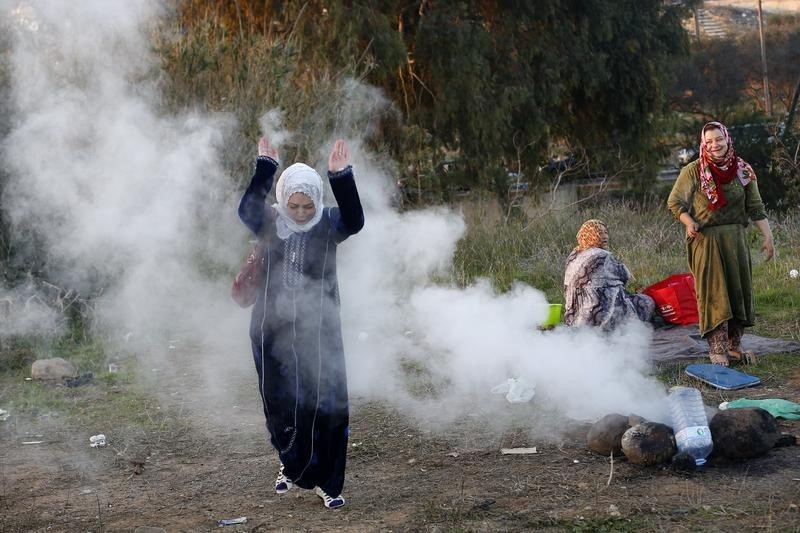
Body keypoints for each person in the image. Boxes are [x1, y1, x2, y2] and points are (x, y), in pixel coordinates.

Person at [237, 136, 364, 508]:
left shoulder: (329, 223)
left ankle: (329, 482)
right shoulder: (270, 221)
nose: (301, 211)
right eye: (294, 204)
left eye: (308, 204)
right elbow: (246, 209)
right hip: (270, 330)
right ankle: (290, 466)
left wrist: (342, 177)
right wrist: (265, 167)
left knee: (326, 405)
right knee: (280, 404)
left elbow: (355, 220)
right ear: (283, 199)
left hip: (319, 332)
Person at [667, 121, 774, 366]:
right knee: (715, 294)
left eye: (719, 139)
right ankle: (717, 349)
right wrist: (688, 221)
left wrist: (768, 237)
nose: (715, 145)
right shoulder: (693, 171)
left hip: (735, 240)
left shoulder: (742, 170)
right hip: (706, 240)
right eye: (709, 141)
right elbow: (674, 203)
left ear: (727, 139)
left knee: (738, 292)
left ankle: (734, 346)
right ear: (704, 144)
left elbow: (755, 208)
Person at [563, 219, 655, 330]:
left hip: (574, 319)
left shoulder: (573, 255)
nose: (605, 236)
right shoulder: (603, 255)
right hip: (598, 317)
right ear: (591, 235)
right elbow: (625, 276)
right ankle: (618, 326)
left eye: (606, 232)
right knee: (646, 301)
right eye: (600, 233)